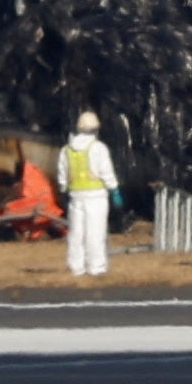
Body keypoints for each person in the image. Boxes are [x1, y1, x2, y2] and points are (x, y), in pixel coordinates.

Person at [58, 111, 122, 277]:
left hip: (75, 197)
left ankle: (76, 267)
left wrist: (64, 190)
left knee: (76, 235)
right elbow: (107, 172)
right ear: (96, 129)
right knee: (95, 233)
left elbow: (62, 176)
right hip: (96, 197)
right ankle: (96, 267)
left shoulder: (66, 150)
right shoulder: (98, 148)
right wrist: (114, 191)